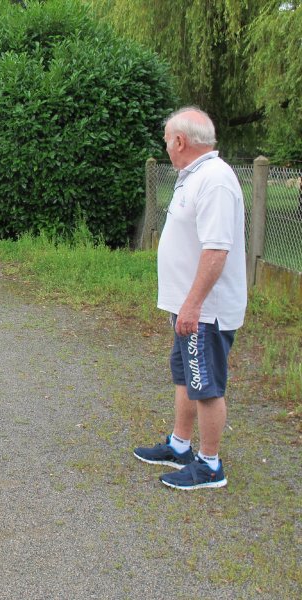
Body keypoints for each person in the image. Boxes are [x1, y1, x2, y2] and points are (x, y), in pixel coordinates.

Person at [133, 107, 247, 490]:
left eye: (166, 138)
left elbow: (216, 250)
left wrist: (195, 305)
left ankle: (210, 465)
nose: (165, 145)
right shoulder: (193, 177)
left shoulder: (214, 180)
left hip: (205, 312)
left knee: (206, 384)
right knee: (186, 377)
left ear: (180, 141)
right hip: (188, 307)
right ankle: (181, 446)